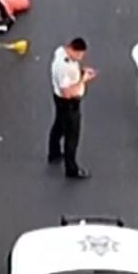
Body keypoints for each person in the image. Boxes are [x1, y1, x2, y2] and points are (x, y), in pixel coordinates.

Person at [48, 37, 96, 179]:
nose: (80, 58)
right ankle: (71, 169)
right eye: (79, 55)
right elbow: (67, 93)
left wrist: (81, 72)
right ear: (72, 50)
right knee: (72, 136)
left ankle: (54, 152)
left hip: (58, 100)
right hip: (69, 104)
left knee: (59, 125)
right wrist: (83, 80)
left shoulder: (60, 52)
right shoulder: (65, 68)